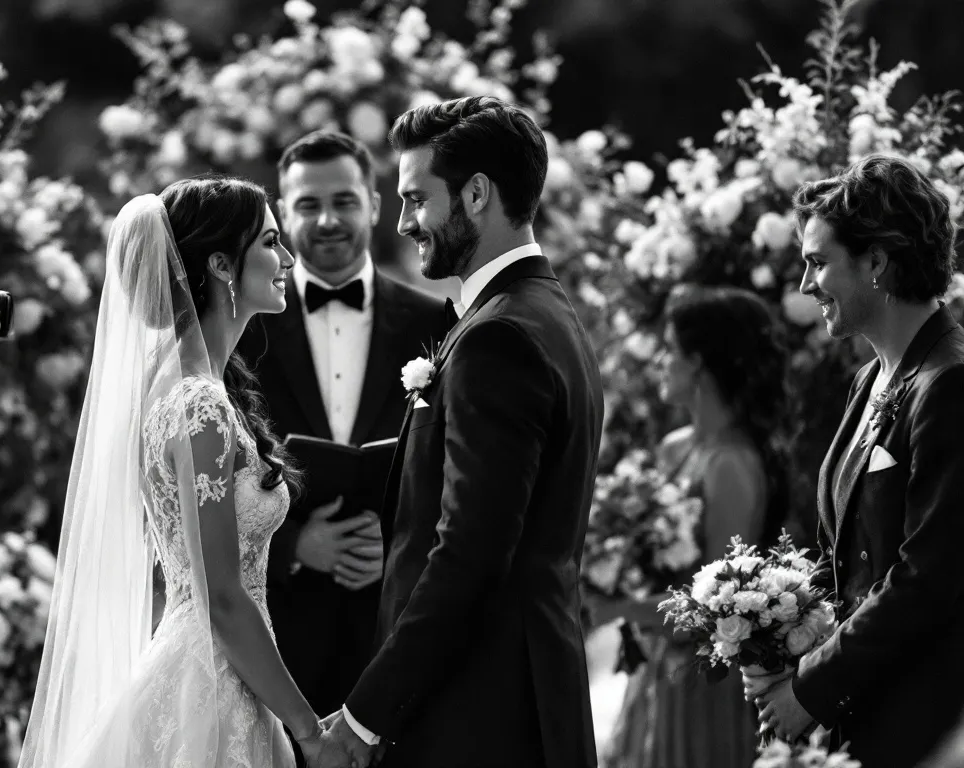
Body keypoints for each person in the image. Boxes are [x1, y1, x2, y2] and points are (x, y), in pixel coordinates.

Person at [17, 176, 354, 768]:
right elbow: (221, 598)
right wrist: (307, 729)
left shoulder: (178, 383)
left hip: (226, 676)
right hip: (211, 690)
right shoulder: (198, 405)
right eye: (272, 242)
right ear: (222, 264)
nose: (287, 260)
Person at [322, 95, 604, 767]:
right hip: (522, 700)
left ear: (476, 193)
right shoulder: (545, 314)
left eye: (417, 199)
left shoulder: (497, 337)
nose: (404, 222)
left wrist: (364, 718)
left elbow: (469, 553)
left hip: (481, 717)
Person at [747, 153, 964, 768]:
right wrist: (774, 638)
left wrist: (810, 688)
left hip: (926, 716)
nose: (805, 285)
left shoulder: (950, 383)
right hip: (862, 706)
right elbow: (842, 553)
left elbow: (928, 578)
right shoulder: (867, 378)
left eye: (818, 263)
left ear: (876, 261)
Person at [237, 131, 449, 730]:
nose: (327, 219)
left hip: (396, 636)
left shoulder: (438, 321)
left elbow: (458, 467)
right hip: (274, 641)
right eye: (307, 205)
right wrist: (295, 544)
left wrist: (401, 546)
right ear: (282, 212)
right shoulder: (241, 331)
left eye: (345, 201)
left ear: (376, 205)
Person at [601, 284, 790, 768]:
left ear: (699, 363)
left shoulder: (731, 465)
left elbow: (714, 612)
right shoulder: (674, 447)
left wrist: (613, 607)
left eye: (671, 349)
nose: (661, 360)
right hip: (656, 668)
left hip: (703, 681)